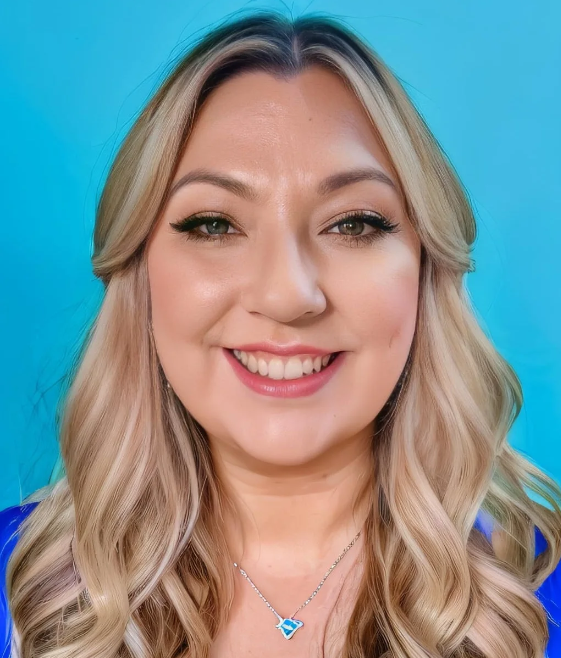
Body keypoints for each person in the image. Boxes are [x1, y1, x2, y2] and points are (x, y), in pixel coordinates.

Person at [1, 9, 561, 658]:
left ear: (424, 269)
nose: (287, 295)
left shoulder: (536, 595)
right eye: (213, 223)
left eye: (353, 223)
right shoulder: (18, 589)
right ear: (140, 273)